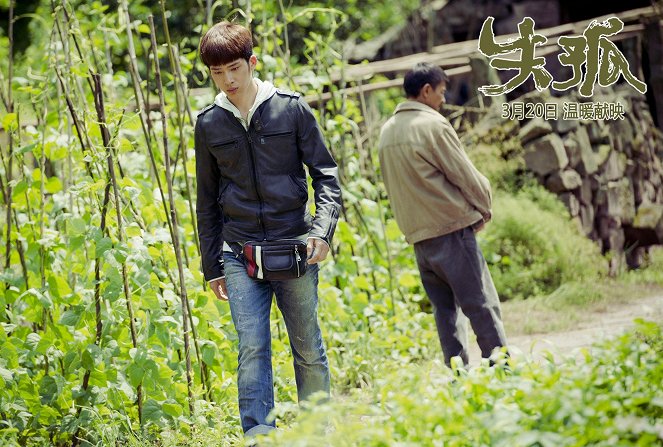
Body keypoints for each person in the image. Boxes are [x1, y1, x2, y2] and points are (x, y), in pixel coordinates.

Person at [194, 21, 341, 437]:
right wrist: (212, 266)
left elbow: (326, 175)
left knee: (308, 348)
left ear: (252, 62)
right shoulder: (208, 124)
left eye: (235, 68)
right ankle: (259, 436)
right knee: (252, 348)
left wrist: (322, 231)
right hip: (238, 252)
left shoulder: (291, 109)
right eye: (217, 72)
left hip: (294, 246)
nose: (228, 80)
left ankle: (317, 433)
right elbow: (206, 200)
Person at [377, 62, 507, 366]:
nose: (443, 99)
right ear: (426, 91)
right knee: (481, 305)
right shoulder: (432, 125)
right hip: (451, 231)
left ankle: (458, 378)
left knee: (446, 313)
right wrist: (485, 207)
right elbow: (464, 174)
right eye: (441, 92)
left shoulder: (387, 133)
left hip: (420, 239)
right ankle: (503, 372)